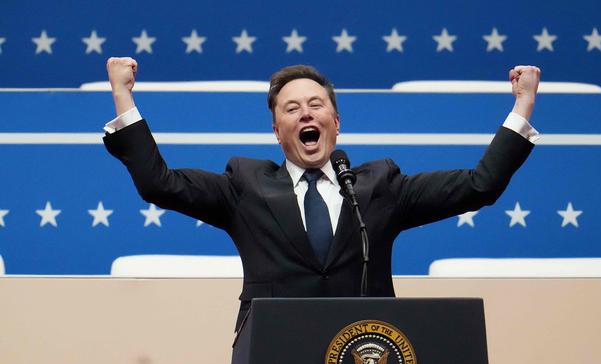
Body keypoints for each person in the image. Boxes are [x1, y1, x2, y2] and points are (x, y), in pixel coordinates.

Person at [103, 57, 540, 331]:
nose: (305, 113)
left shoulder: (379, 186)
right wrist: (122, 95)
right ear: (277, 131)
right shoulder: (245, 186)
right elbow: (159, 183)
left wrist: (522, 106)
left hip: (366, 350)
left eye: (316, 104)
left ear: (336, 121)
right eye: (291, 109)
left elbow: (479, 185)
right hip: (274, 351)